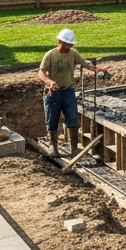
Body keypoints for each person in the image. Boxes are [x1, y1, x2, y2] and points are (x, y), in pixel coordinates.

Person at [38, 28, 107, 156]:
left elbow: (85, 63)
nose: (69, 46)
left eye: (71, 44)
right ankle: (53, 147)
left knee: (73, 119)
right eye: (67, 44)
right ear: (60, 41)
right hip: (53, 93)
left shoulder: (73, 53)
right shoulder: (50, 55)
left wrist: (98, 68)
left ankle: (74, 149)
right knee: (52, 120)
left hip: (68, 91)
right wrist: (50, 82)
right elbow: (41, 72)